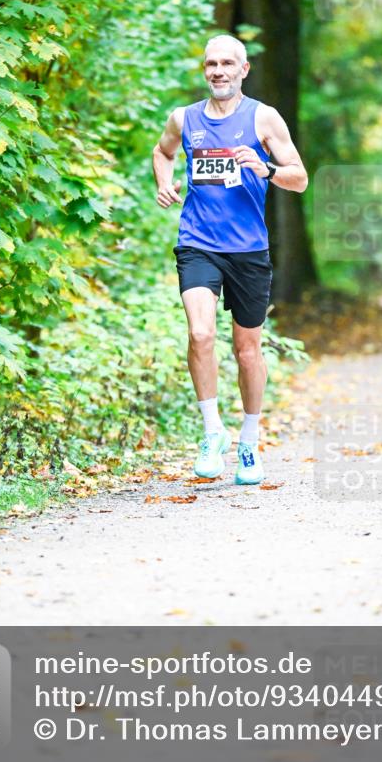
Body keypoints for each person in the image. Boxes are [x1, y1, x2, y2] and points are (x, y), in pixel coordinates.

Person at [152, 35, 308, 485]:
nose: (217, 71)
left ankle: (249, 440)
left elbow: (299, 179)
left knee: (246, 350)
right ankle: (211, 431)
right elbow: (163, 153)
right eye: (210, 64)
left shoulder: (263, 117)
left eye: (226, 64)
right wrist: (164, 183)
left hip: (248, 250)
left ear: (243, 70)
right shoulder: (185, 118)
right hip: (197, 241)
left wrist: (267, 169)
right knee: (200, 333)